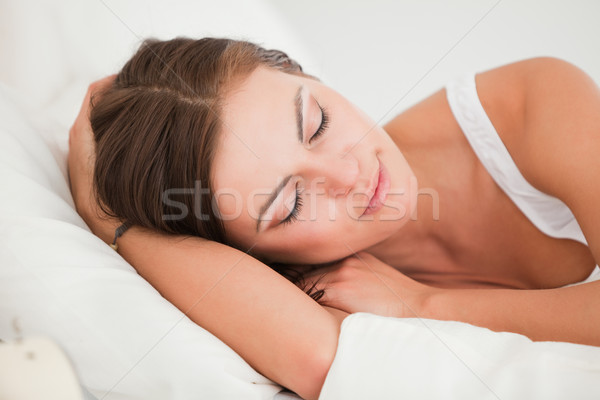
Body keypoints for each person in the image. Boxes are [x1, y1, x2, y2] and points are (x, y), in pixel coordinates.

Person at [68, 37, 600, 399]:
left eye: (317, 123)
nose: (349, 175)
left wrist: (422, 304)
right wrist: (113, 224)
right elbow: (315, 357)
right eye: (291, 204)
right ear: (254, 253)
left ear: (307, 75)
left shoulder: (529, 106)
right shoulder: (322, 285)